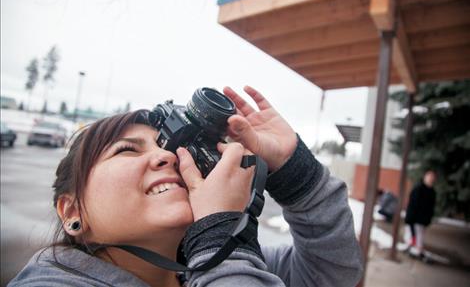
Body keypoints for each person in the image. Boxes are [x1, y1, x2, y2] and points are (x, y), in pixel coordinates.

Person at [9, 86, 363, 287]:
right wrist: (220, 237)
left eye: (167, 147)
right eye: (126, 150)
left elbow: (332, 273)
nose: (167, 158)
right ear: (72, 211)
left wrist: (293, 168)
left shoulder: (209, 262)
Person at [405, 170, 437, 260]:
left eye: (432, 177)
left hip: (423, 220)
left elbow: (431, 207)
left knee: (420, 236)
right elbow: (412, 205)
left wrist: (428, 219)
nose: (431, 178)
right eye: (429, 176)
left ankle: (416, 250)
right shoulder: (418, 189)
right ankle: (413, 250)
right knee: (413, 235)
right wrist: (410, 218)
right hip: (415, 218)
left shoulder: (432, 192)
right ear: (425, 177)